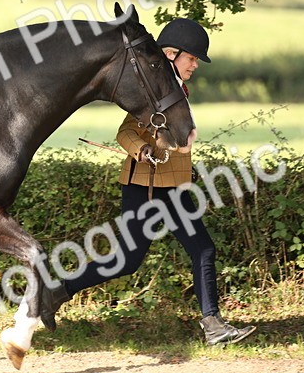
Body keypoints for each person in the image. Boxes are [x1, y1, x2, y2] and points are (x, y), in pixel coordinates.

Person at [48, 18, 256, 345]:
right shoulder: (153, 92)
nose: (195, 65)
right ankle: (57, 291)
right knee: (128, 261)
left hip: (172, 188)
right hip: (143, 189)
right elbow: (125, 132)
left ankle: (213, 325)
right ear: (171, 54)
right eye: (192, 58)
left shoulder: (175, 90)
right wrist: (143, 150)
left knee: (201, 249)